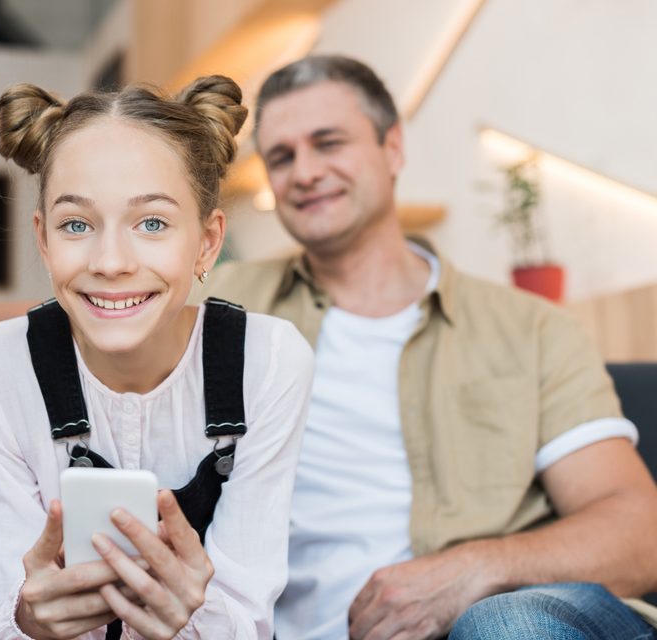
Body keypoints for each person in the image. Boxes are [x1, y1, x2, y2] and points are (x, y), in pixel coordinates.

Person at [201, 54, 657, 640]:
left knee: (508, 625)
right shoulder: (220, 306)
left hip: (497, 621)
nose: (304, 172)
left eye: (329, 142)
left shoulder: (530, 328)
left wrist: (474, 570)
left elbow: (637, 529)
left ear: (393, 148)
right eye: (282, 157)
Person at [0, 76, 313, 640]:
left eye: (152, 223)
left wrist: (195, 620)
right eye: (76, 224)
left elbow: (247, 622)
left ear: (208, 242)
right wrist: (30, 622)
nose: (111, 261)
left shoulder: (267, 361)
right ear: (43, 241)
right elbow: (7, 612)